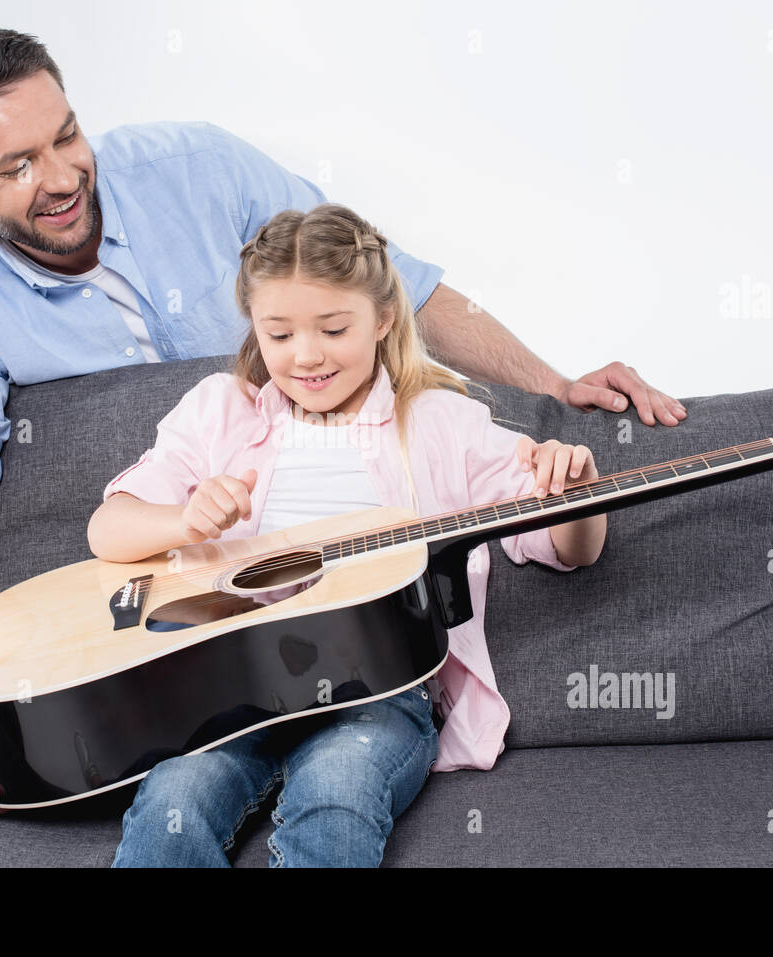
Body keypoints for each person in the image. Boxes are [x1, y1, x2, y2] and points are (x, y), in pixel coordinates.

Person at [0, 26, 674, 819]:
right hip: (194, 646)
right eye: (17, 166)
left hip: (366, 662)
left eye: (65, 136)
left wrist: (553, 384)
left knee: (336, 792)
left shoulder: (198, 168)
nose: (62, 176)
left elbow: (394, 283)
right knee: (180, 799)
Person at [87, 203, 607, 866]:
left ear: (383, 317)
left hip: (378, 694)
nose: (306, 355)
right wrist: (180, 520)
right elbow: (109, 529)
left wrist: (577, 492)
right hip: (228, 690)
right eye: (278, 334)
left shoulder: (441, 422)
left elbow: (569, 548)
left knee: (338, 795)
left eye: (333, 328)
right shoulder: (219, 410)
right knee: (173, 802)